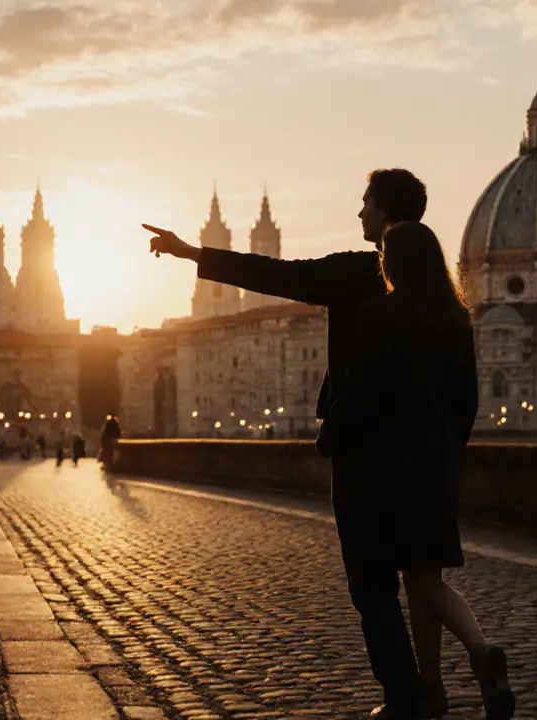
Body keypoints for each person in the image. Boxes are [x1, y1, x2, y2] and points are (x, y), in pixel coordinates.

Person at [145, 169, 435, 719]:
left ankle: (405, 696)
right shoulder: (437, 289)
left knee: (371, 581)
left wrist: (192, 253)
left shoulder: (356, 273)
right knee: (420, 575)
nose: (359, 214)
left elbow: (274, 274)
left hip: (363, 450)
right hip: (418, 450)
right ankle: (439, 679)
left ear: (385, 212)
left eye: (365, 203)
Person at [321, 221, 514, 720]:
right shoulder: (457, 319)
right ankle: (442, 679)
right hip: (438, 467)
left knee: (407, 580)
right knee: (426, 578)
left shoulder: (378, 316)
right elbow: (467, 402)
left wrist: (330, 436)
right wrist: (449, 450)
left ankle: (471, 654)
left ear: (394, 263)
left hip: (390, 470)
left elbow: (360, 394)